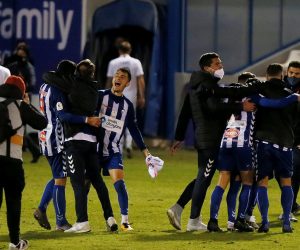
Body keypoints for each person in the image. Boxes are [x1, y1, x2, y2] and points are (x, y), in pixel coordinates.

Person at [167, 52, 256, 231]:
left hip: (203, 137)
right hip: (211, 138)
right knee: (204, 177)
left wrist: (179, 136)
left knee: (203, 177)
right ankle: (193, 221)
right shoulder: (207, 85)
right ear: (207, 68)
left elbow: (185, 112)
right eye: (217, 64)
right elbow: (214, 107)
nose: (220, 67)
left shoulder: (196, 85)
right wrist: (240, 106)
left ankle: (178, 208)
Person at [207, 71, 300, 232]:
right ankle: (242, 218)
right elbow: (273, 104)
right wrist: (294, 97)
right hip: (244, 143)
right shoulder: (254, 96)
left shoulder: (232, 95)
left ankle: (216, 220)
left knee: (225, 180)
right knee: (249, 182)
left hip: (227, 140)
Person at [97, 67, 158, 231]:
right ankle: (88, 220)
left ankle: (124, 221)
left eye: (122, 77)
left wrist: (146, 151)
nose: (118, 78)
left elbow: (134, 129)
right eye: (116, 75)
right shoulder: (100, 96)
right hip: (94, 150)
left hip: (113, 151)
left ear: (128, 83)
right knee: (87, 185)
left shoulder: (127, 106)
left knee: (120, 184)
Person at [63, 59, 118, 233]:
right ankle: (110, 218)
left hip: (75, 140)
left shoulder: (71, 88)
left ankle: (82, 222)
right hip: (91, 141)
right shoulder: (95, 90)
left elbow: (65, 115)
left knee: (78, 183)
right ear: (92, 74)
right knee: (97, 181)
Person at [0, 75, 47, 250]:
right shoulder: (21, 107)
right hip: (12, 163)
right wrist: (26, 103)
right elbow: (42, 122)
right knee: (13, 203)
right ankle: (14, 242)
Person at [33, 60, 77, 231]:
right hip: (55, 139)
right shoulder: (58, 92)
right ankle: (61, 222)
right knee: (60, 179)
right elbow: (62, 115)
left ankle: (41, 209)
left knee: (57, 175)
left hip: (44, 136)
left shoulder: (44, 86)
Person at [255, 63, 298, 233]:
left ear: (267, 76)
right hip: (285, 143)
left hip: (263, 142)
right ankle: (286, 221)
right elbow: (295, 120)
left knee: (263, 182)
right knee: (286, 181)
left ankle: (264, 222)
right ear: (282, 76)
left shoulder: (259, 92)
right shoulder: (291, 95)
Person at [106, 41, 146, 158]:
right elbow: (140, 80)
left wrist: (106, 94)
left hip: (116, 94)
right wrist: (141, 96)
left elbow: (109, 80)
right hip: (131, 94)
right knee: (130, 120)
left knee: (116, 120)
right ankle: (129, 144)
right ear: (130, 50)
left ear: (119, 50)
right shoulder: (136, 62)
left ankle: (119, 146)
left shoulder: (113, 62)